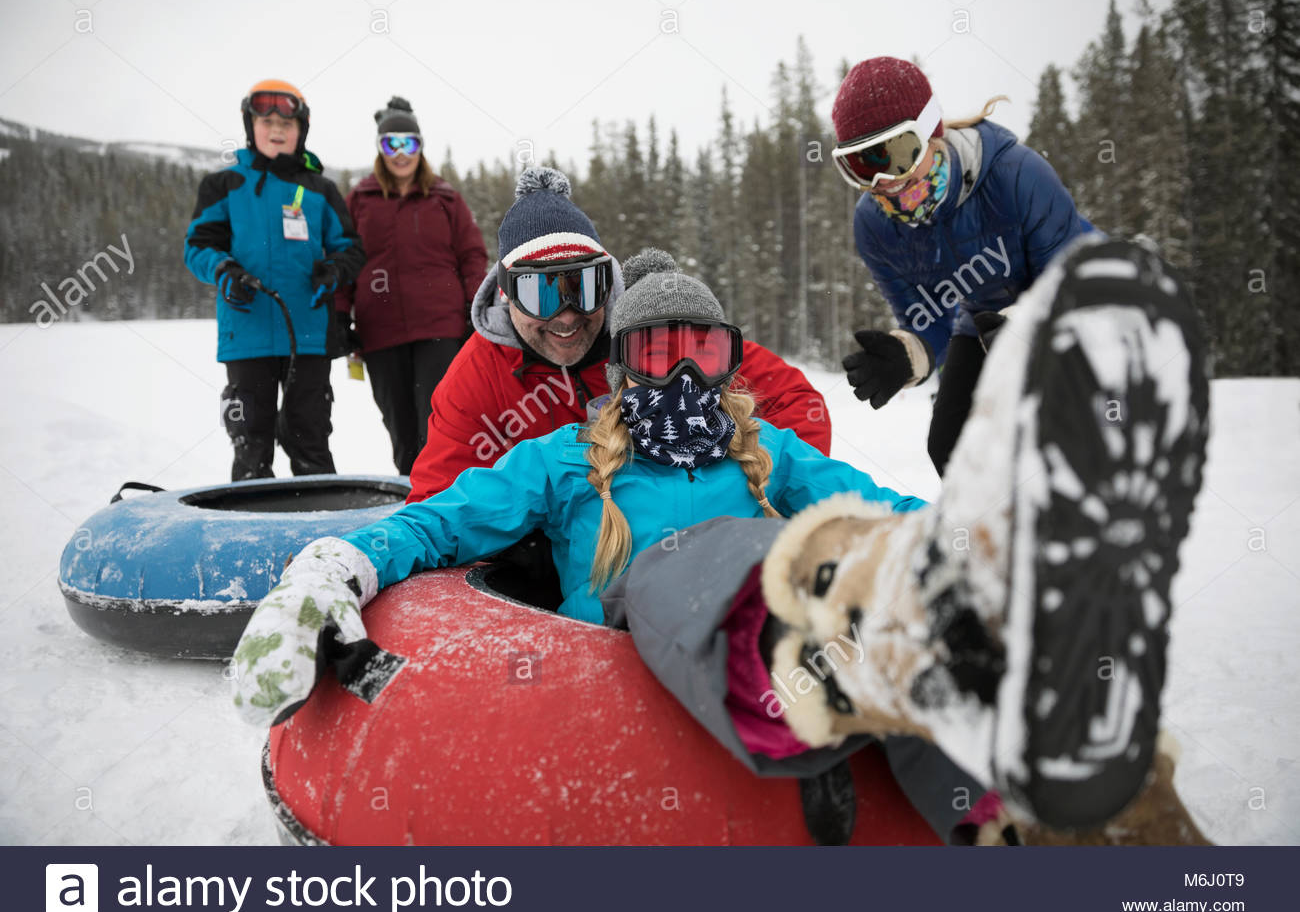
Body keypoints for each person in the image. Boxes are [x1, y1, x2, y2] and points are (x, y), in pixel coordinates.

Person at [230, 238, 1211, 843]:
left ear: (727, 359)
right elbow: (444, 516)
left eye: (702, 350)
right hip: (665, 618)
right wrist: (335, 564)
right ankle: (802, 645)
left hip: (833, 603)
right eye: (657, 352)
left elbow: (871, 501)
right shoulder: (571, 461)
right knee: (703, 558)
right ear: (624, 367)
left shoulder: (766, 451)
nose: (683, 375)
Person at [404, 166, 831, 503]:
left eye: (585, 288)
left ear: (609, 284)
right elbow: (437, 501)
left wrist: (736, 493)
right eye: (541, 295)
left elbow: (797, 404)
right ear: (505, 294)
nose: (568, 318)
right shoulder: (476, 380)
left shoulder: (655, 335)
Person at [829, 57, 1095, 478]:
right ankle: (985, 538)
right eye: (862, 165)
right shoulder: (874, 225)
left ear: (930, 129)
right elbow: (927, 317)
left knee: (1058, 435)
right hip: (984, 321)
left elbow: (1067, 278)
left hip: (1084, 298)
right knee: (951, 444)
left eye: (897, 154)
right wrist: (908, 354)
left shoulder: (1016, 175)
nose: (884, 180)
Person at [185, 79, 364, 480]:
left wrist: (333, 271)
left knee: (311, 439)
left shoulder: (320, 189)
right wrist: (224, 271)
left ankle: (322, 532)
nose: (277, 129)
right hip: (246, 335)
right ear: (251, 127)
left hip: (309, 338)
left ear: (301, 130)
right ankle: (251, 534)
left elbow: (352, 250)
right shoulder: (224, 185)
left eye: (287, 122)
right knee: (250, 444)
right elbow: (197, 247)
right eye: (266, 121)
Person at [336, 97, 488, 475]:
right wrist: (339, 316)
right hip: (380, 332)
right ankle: (412, 503)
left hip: (440, 327)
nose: (401, 154)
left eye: (410, 144)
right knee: (401, 431)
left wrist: (476, 308)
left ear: (421, 147)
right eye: (391, 144)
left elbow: (471, 256)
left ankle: (444, 505)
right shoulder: (359, 200)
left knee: (439, 424)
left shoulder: (446, 198)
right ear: (379, 148)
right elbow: (342, 259)